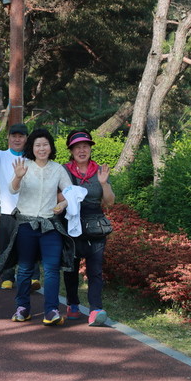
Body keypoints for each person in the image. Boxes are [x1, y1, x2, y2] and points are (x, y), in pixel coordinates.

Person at [0, 128, 73, 326]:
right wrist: (18, 176)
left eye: (45, 144)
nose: (42, 148)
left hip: (50, 225)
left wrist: (62, 204)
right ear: (32, 147)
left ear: (51, 147)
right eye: (38, 145)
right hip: (26, 224)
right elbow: (12, 189)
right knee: (26, 268)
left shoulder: (57, 169)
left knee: (52, 269)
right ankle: (22, 308)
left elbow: (71, 193)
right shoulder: (23, 165)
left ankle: (51, 310)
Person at [62, 130, 115, 326]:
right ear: (71, 150)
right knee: (70, 268)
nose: (82, 150)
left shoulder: (100, 170)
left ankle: (95, 309)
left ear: (90, 148)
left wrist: (104, 184)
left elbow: (109, 202)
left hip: (95, 225)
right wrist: (71, 197)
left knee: (95, 270)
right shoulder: (64, 170)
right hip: (71, 223)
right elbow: (57, 196)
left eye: (85, 146)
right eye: (77, 147)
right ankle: (73, 304)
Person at [0, 119, 42, 291]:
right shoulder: (0, 155)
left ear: (26, 138)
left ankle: (33, 277)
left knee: (30, 244)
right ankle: (8, 276)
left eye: (21, 136)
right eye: (14, 136)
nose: (17, 139)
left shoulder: (32, 158)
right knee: (6, 245)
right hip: (5, 210)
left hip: (28, 210)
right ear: (8, 138)